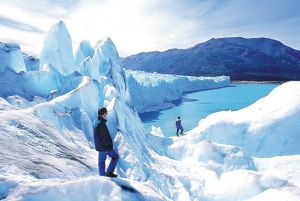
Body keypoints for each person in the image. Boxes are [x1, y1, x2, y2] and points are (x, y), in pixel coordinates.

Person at [93, 107, 119, 177]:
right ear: (104, 114)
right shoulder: (101, 124)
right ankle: (109, 172)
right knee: (116, 157)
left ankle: (102, 177)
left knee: (101, 162)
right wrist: (109, 145)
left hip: (99, 146)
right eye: (106, 113)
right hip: (105, 147)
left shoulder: (95, 122)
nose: (107, 114)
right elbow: (104, 137)